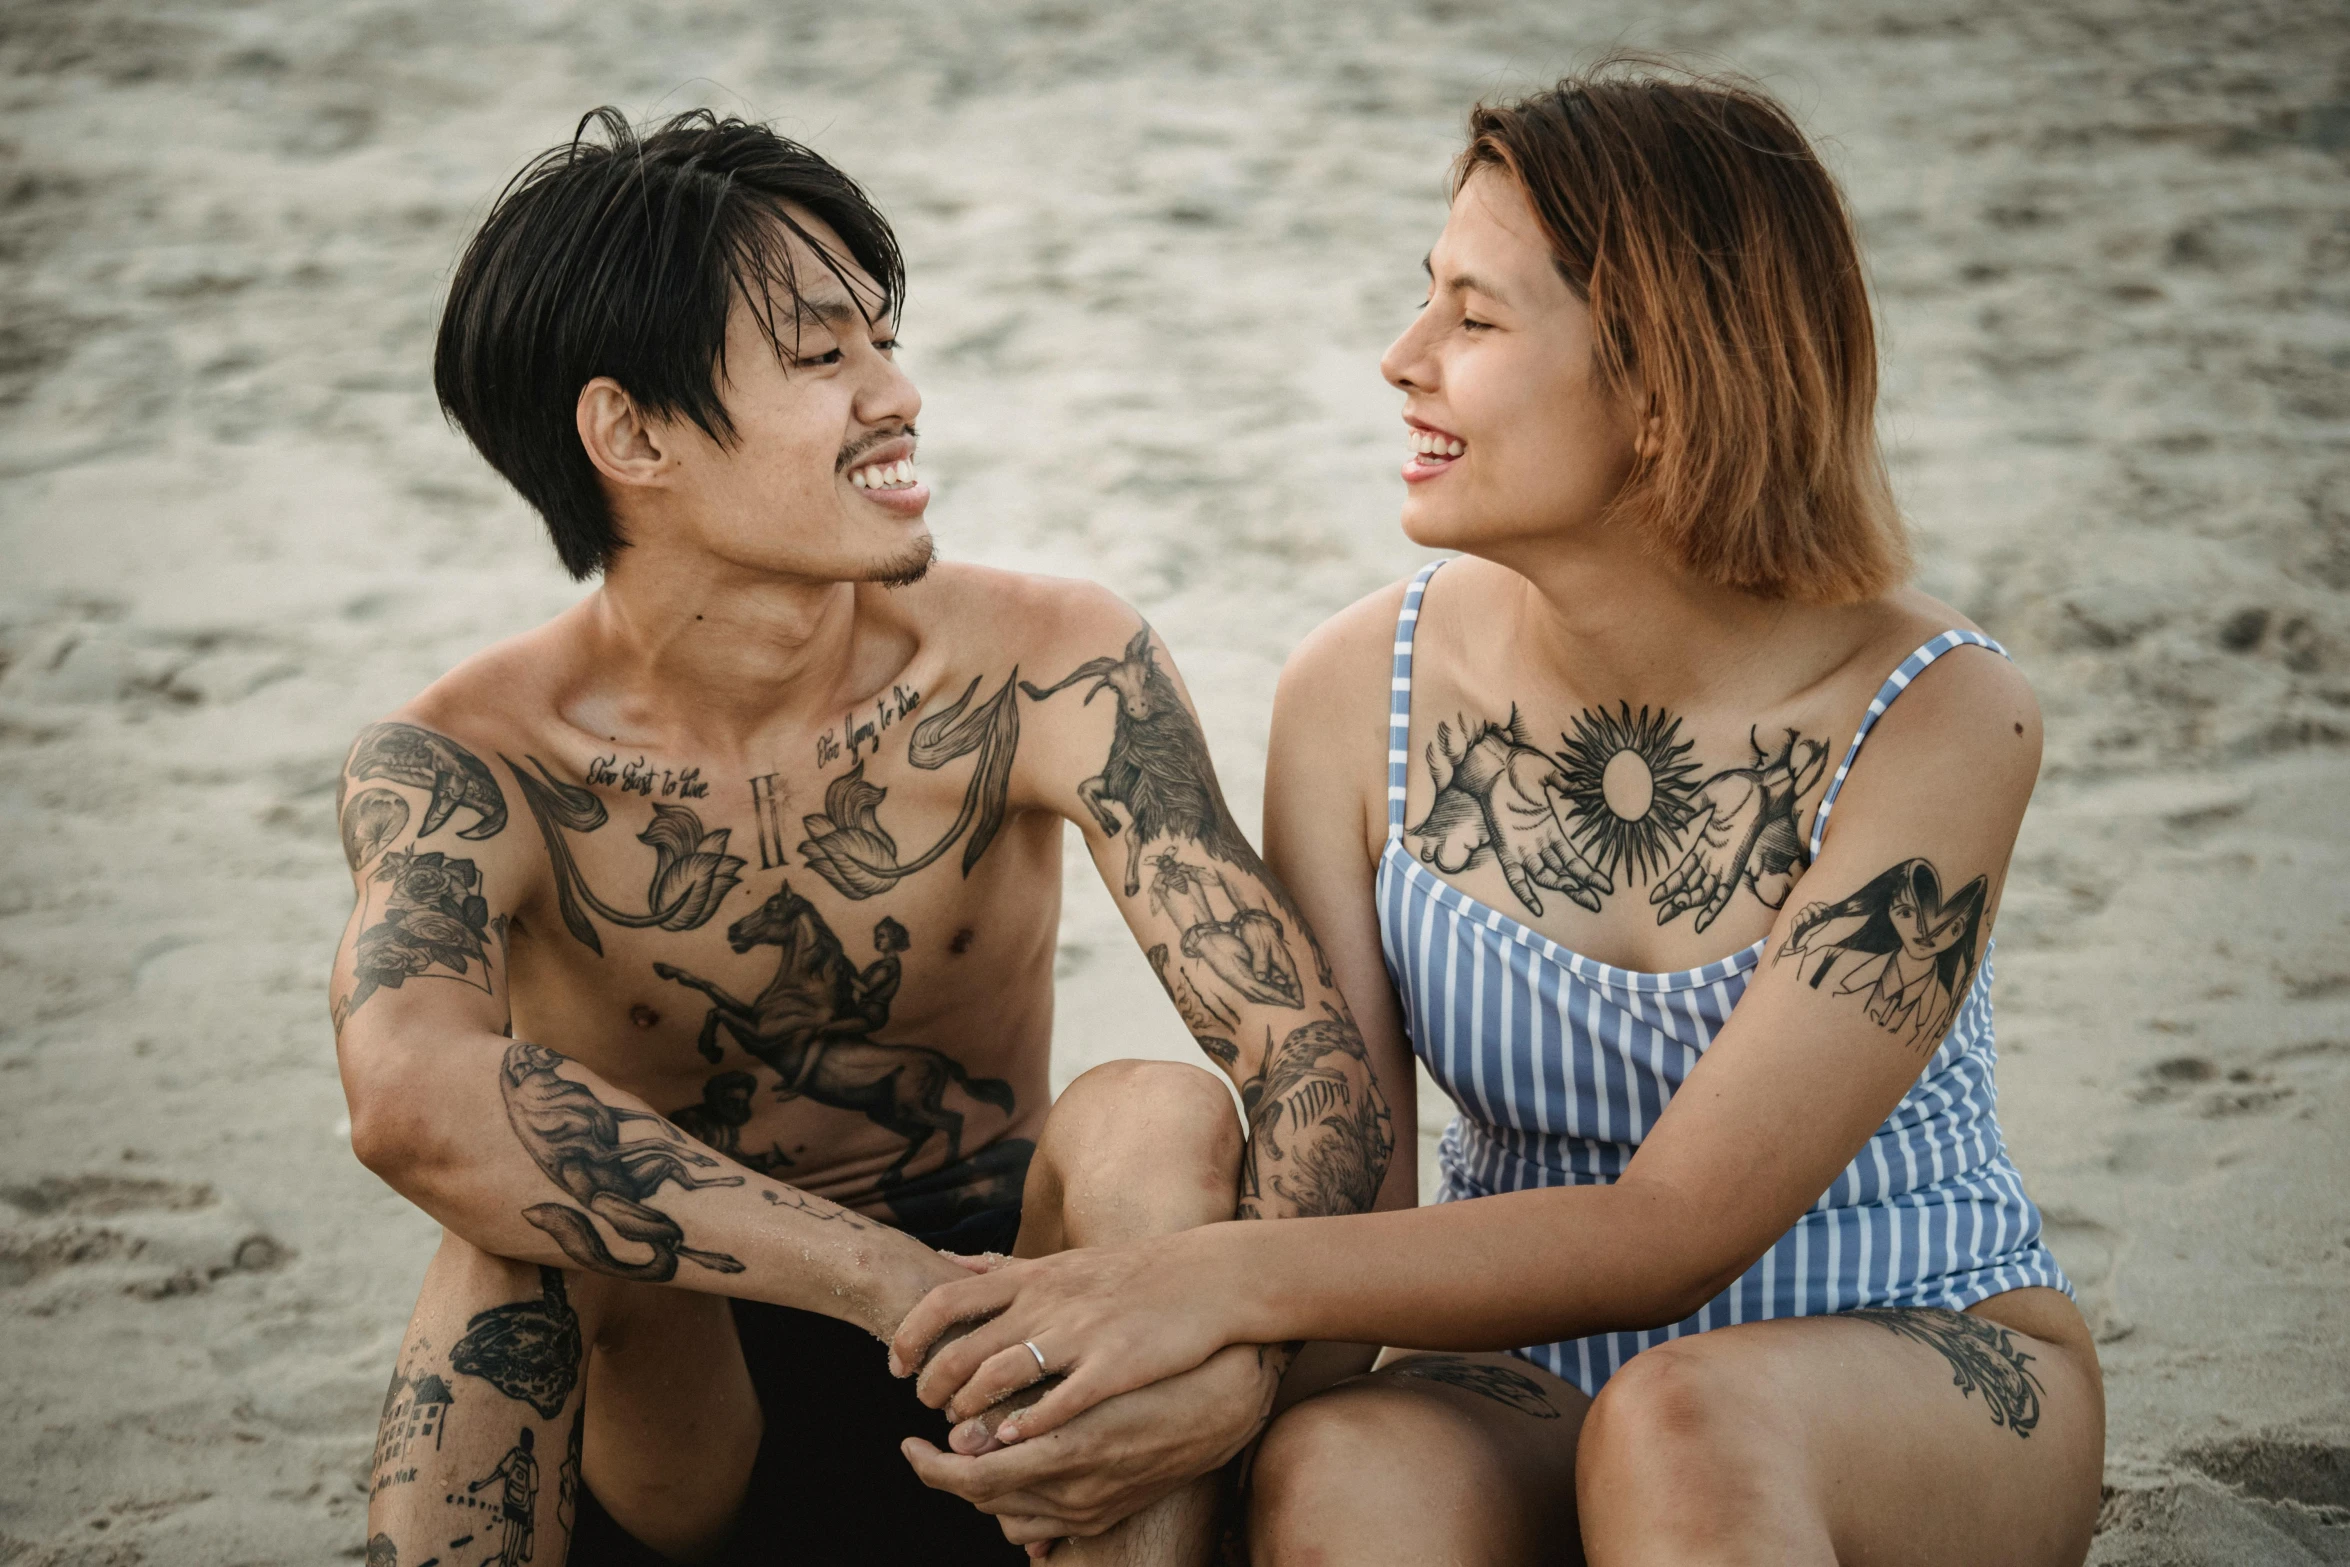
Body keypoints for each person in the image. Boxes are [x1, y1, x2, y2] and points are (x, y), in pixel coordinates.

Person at [893, 62, 2106, 1565]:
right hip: (1525, 1364)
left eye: (1473, 319)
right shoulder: (1357, 687)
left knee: (1686, 1427)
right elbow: (1357, 1198)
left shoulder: (1936, 707)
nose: (1402, 358)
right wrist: (1174, 1377)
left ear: (1666, 383)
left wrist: (1213, 1284)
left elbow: (1683, 1226)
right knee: (1343, 1468)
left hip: (1911, 1349)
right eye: (1426, 299)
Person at [337, 108, 1404, 1567]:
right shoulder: (471, 762)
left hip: (1019, 1391)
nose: (896, 393)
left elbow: (1308, 1052)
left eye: (884, 341)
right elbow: (406, 1096)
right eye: (824, 356)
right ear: (629, 431)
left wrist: (1238, 1363)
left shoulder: (1048, 661)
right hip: (686, 1420)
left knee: (1150, 1107)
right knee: (510, 1237)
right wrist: (881, 1282)